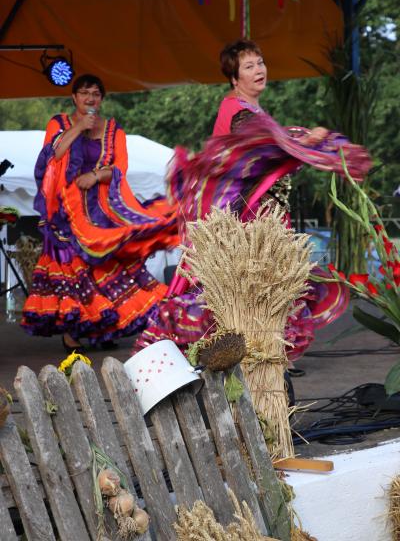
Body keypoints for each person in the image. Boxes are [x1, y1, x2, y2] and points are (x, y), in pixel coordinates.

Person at [134, 39, 372, 360]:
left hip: (266, 217)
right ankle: (243, 362)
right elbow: (261, 142)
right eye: (249, 66)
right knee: (248, 293)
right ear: (235, 79)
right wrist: (305, 140)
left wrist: (300, 141)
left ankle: (263, 361)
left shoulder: (253, 110)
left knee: (268, 296)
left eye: (260, 63)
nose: (259, 69)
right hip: (248, 221)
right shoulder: (237, 111)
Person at [21, 74, 178, 351]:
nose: (90, 98)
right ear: (74, 97)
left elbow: (119, 169)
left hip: (102, 211)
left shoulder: (113, 130)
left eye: (95, 94)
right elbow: (52, 156)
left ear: (102, 99)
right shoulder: (59, 123)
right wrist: (79, 127)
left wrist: (94, 176)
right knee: (75, 272)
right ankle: (72, 333)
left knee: (104, 268)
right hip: (66, 214)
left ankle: (104, 330)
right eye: (84, 93)